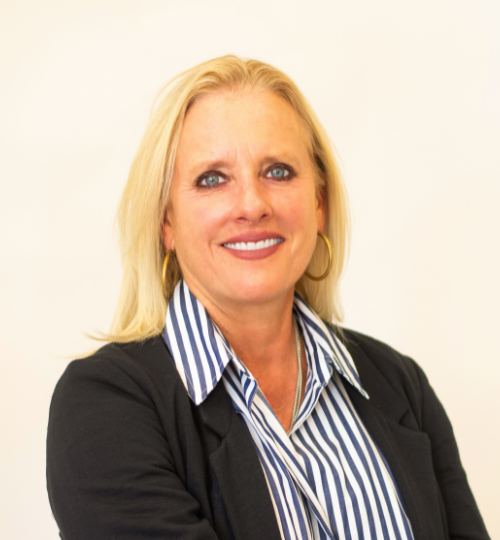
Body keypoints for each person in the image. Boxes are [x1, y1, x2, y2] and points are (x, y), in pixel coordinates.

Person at [46, 56, 490, 540]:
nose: (253, 205)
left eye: (278, 172)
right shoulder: (105, 405)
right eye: (212, 179)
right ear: (166, 222)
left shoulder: (400, 384)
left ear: (319, 203)